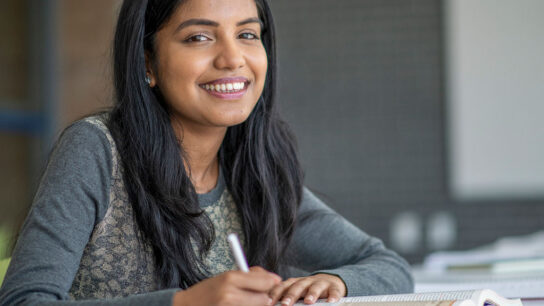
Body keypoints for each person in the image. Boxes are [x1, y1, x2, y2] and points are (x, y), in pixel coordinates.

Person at [0, 0, 413, 305]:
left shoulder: (257, 169)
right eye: (199, 37)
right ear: (148, 63)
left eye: (248, 34)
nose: (233, 58)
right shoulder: (96, 150)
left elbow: (387, 266)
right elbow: (24, 301)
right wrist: (184, 303)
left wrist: (335, 283)